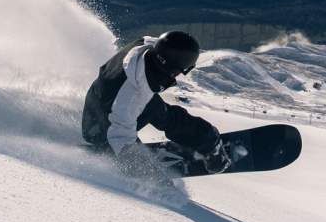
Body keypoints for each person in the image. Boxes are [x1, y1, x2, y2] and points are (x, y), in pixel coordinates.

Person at [82, 31, 230, 180]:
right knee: (160, 115)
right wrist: (151, 176)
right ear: (171, 68)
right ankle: (206, 138)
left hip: (99, 99)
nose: (179, 75)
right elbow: (120, 136)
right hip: (99, 128)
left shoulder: (148, 49)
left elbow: (160, 44)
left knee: (161, 113)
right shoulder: (132, 96)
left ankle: (206, 137)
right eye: (182, 69)